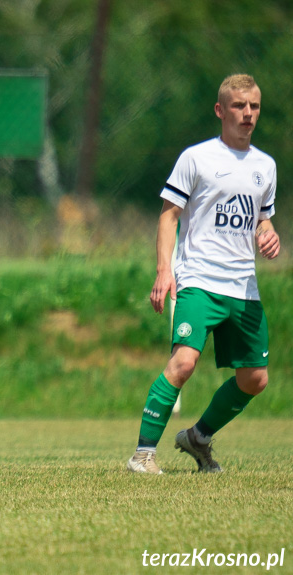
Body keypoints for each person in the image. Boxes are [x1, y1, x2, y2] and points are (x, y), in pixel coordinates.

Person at [127, 74, 280, 475]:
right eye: (238, 106)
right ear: (220, 110)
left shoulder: (266, 165)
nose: (247, 114)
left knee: (255, 379)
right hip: (199, 280)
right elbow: (168, 215)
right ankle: (143, 455)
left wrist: (269, 235)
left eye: (254, 107)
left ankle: (198, 438)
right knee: (183, 363)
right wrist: (165, 271)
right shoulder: (196, 158)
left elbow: (262, 221)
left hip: (243, 287)